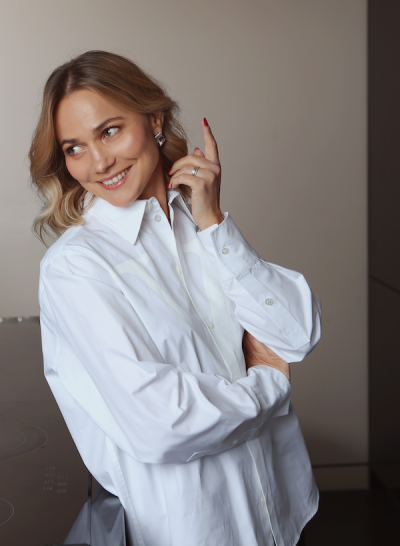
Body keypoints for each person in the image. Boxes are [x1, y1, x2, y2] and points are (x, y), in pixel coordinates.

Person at [30, 50, 321, 546]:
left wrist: (215, 223)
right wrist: (269, 386)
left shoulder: (199, 222)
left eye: (110, 131)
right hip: (200, 531)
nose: (98, 162)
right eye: (74, 148)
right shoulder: (75, 268)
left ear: (155, 119)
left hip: (285, 512)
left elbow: (297, 333)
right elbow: (159, 421)